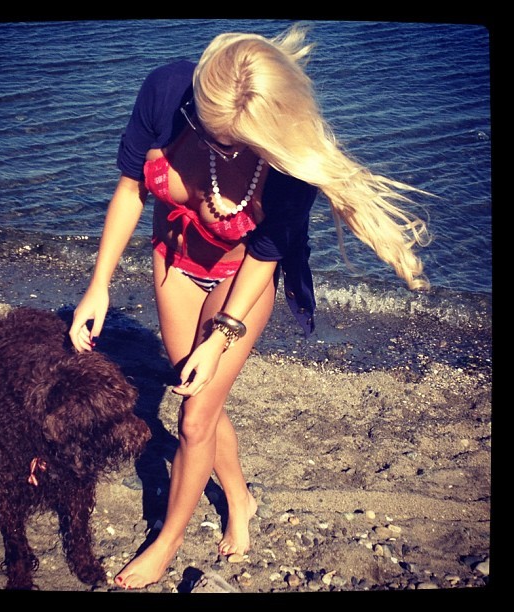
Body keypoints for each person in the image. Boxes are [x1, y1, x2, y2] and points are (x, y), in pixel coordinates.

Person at [69, 22, 430, 590]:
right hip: (174, 262)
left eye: (238, 142)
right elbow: (130, 191)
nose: (223, 149)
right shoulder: (166, 92)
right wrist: (99, 286)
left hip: (241, 278)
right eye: (212, 135)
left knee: (193, 417)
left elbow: (264, 256)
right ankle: (239, 497)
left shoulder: (290, 163)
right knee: (201, 398)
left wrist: (219, 339)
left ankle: (167, 541)